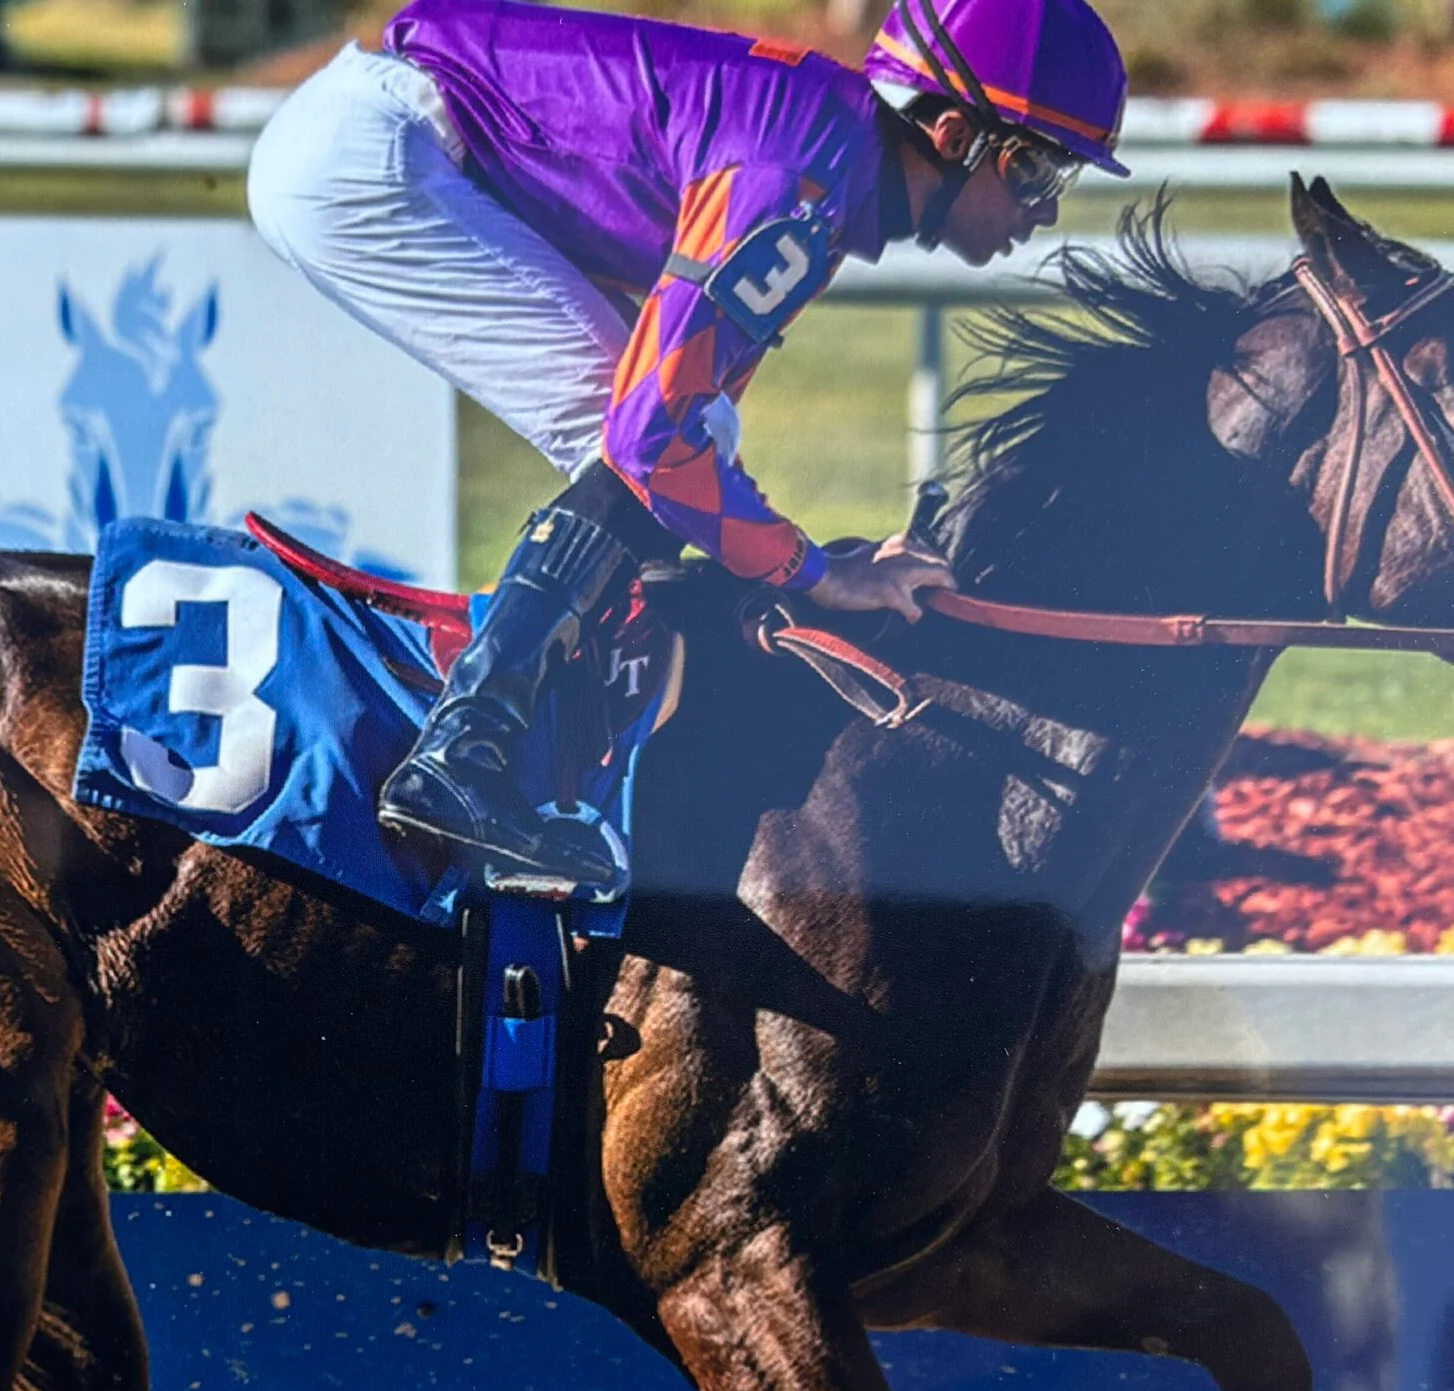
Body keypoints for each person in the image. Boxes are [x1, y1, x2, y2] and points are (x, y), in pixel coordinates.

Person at [248, 0, 1129, 889]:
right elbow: (651, 440)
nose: (1043, 212)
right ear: (951, 132)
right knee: (643, 435)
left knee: (679, 437)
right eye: (1034, 168)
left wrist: (774, 564)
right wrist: (817, 573)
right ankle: (461, 758)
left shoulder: (828, 165)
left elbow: (690, 431)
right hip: (375, 159)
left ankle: (528, 722)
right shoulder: (803, 179)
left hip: (376, 141)